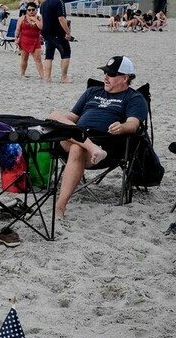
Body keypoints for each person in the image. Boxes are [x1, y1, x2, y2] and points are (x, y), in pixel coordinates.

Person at [47, 56, 148, 218]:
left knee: (77, 149)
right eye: (105, 73)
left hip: (105, 145)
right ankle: (90, 146)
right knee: (54, 115)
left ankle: (60, 206)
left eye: (111, 74)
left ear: (125, 78)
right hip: (77, 137)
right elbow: (72, 116)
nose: (105, 77)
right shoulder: (92, 92)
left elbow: (133, 124)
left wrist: (122, 127)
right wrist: (58, 121)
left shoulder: (134, 98)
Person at [40, 0, 73, 83]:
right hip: (57, 32)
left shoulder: (44, 3)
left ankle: (47, 77)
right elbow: (61, 18)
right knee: (66, 53)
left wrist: (42, 31)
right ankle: (64, 77)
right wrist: (68, 32)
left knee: (49, 55)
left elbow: (42, 19)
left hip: (46, 32)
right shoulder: (59, 2)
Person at [16, 2, 43, 78]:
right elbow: (17, 29)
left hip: (35, 41)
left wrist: (35, 20)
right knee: (24, 58)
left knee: (38, 59)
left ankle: (42, 75)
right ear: (26, 10)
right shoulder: (22, 18)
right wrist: (16, 39)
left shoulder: (39, 18)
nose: (31, 11)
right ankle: (22, 73)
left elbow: (41, 27)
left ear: (36, 10)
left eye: (33, 10)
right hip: (24, 40)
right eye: (29, 10)